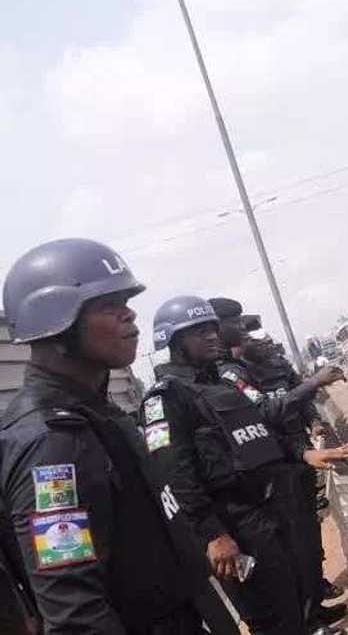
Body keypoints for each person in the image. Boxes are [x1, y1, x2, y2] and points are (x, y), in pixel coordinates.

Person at [0, 238, 217, 633]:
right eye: (107, 306)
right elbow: (76, 616)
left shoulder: (99, 414)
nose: (130, 316)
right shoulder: (50, 444)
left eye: (126, 302)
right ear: (56, 324)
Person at [143, 296, 348, 634]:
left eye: (212, 328)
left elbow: (260, 426)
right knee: (268, 614)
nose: (211, 336)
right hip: (230, 520)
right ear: (173, 341)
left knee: (291, 597)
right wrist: (214, 534)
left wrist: (302, 454)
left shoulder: (221, 383)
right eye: (199, 331)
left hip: (264, 508)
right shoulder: (165, 398)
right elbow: (174, 472)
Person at [208, 298, 346, 621]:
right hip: (263, 478)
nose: (246, 330)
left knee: (305, 541)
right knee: (290, 552)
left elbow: (278, 410)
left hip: (286, 460)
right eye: (237, 323)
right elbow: (266, 414)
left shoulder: (250, 368)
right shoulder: (227, 375)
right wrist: (314, 383)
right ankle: (307, 617)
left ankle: (313, 610)